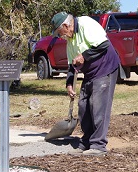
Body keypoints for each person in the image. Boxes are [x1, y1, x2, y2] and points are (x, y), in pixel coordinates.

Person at [50, 12, 120, 156]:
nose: (59, 36)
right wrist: (69, 83)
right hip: (90, 73)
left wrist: (84, 56)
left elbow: (104, 45)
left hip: (105, 68)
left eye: (59, 32)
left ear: (65, 25)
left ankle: (98, 145)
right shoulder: (70, 39)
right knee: (83, 106)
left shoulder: (85, 24)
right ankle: (87, 141)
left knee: (98, 106)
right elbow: (72, 64)